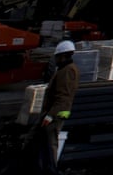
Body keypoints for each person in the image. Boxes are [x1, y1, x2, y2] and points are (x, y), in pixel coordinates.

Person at [33, 39, 80, 174]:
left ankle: (51, 170)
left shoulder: (67, 71)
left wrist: (50, 115)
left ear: (63, 55)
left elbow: (63, 96)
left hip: (56, 114)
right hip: (55, 111)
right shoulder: (65, 69)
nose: (56, 59)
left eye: (57, 56)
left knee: (51, 144)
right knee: (45, 143)